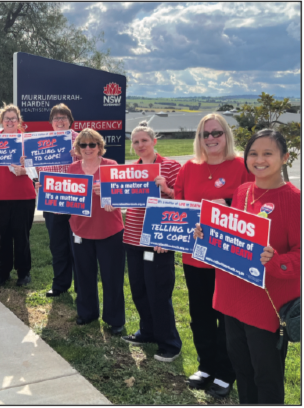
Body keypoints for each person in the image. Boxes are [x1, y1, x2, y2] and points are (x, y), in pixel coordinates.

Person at [194, 129, 300, 404]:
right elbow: (232, 237)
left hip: (267, 305)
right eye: (253, 153)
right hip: (232, 299)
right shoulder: (242, 192)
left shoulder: (294, 200)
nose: (259, 159)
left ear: (285, 157)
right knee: (242, 370)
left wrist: (276, 261)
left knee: (267, 376)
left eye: (268, 153)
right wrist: (207, 233)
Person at [174, 113, 253, 398]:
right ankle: (206, 365)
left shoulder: (242, 166)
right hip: (195, 256)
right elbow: (179, 206)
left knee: (226, 317)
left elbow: (257, 204)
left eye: (216, 133)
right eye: (205, 134)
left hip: (229, 257)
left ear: (226, 135)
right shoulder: (189, 168)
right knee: (200, 313)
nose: (210, 139)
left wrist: (229, 203)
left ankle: (225, 371)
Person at [121, 121, 183, 362]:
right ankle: (147, 331)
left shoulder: (170, 166)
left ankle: (170, 343)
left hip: (158, 239)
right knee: (139, 289)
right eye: (135, 142)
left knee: (159, 292)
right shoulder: (131, 169)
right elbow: (120, 196)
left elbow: (183, 200)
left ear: (154, 141)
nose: (139, 145)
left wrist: (167, 189)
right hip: (133, 237)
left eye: (144, 140)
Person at [67, 128, 125, 333]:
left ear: (100, 147)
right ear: (78, 148)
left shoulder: (112, 166)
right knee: (83, 275)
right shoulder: (72, 169)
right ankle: (87, 313)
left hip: (109, 229)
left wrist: (110, 195)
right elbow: (66, 197)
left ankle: (115, 319)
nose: (88, 148)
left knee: (112, 276)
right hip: (80, 229)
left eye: (92, 144)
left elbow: (123, 195)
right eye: (83, 145)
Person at [0, 104, 36, 287]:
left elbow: (37, 169)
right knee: (3, 235)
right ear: (1, 121)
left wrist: (25, 170)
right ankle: (3, 272)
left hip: (24, 196)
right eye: (7, 118)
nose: (10, 121)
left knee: (22, 236)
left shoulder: (27, 140)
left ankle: (23, 272)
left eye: (13, 118)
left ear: (19, 121)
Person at [36, 104, 80, 297]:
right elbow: (35, 169)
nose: (60, 121)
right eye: (56, 118)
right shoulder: (42, 141)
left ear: (70, 121)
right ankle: (60, 284)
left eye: (63, 117)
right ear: (51, 122)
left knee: (78, 246)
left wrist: (79, 157)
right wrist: (36, 182)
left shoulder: (81, 139)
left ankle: (81, 286)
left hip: (75, 201)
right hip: (52, 201)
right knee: (57, 245)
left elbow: (96, 165)